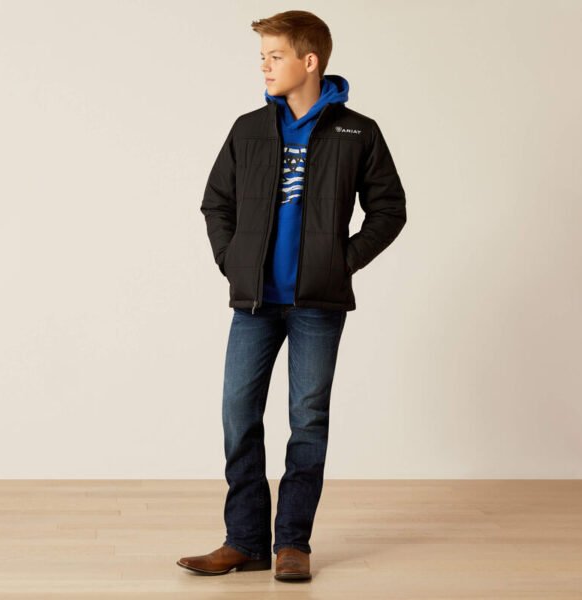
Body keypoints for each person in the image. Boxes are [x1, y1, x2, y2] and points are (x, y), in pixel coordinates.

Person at [177, 9, 406, 582]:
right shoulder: (248, 128)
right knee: (238, 414)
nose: (264, 66)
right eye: (262, 56)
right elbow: (216, 202)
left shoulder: (359, 132)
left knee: (307, 420)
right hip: (255, 302)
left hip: (318, 304)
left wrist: (342, 261)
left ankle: (292, 545)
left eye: (274, 56)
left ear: (309, 61)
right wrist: (232, 261)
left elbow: (389, 209)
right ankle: (245, 541)